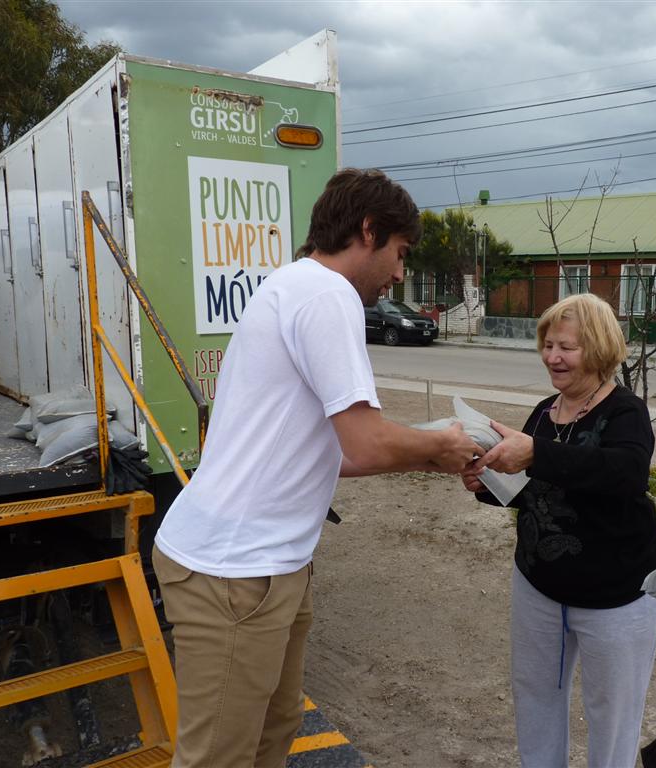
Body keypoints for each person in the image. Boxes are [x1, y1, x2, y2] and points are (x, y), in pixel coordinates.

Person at [152, 169, 481, 768]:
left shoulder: (294, 286)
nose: (401, 275)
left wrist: (433, 456)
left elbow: (341, 452)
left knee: (272, 736)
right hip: (236, 571)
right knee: (219, 757)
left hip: (268, 564)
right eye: (401, 254)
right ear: (368, 230)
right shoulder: (328, 295)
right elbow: (370, 441)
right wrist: (442, 446)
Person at [462, 293, 656, 768]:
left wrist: (535, 453)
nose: (553, 357)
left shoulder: (625, 413)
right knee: (535, 698)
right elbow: (527, 488)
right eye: (548, 345)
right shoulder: (543, 413)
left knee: (612, 713)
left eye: (567, 347)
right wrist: (483, 481)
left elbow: (626, 473)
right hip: (539, 588)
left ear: (596, 348)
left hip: (616, 598)